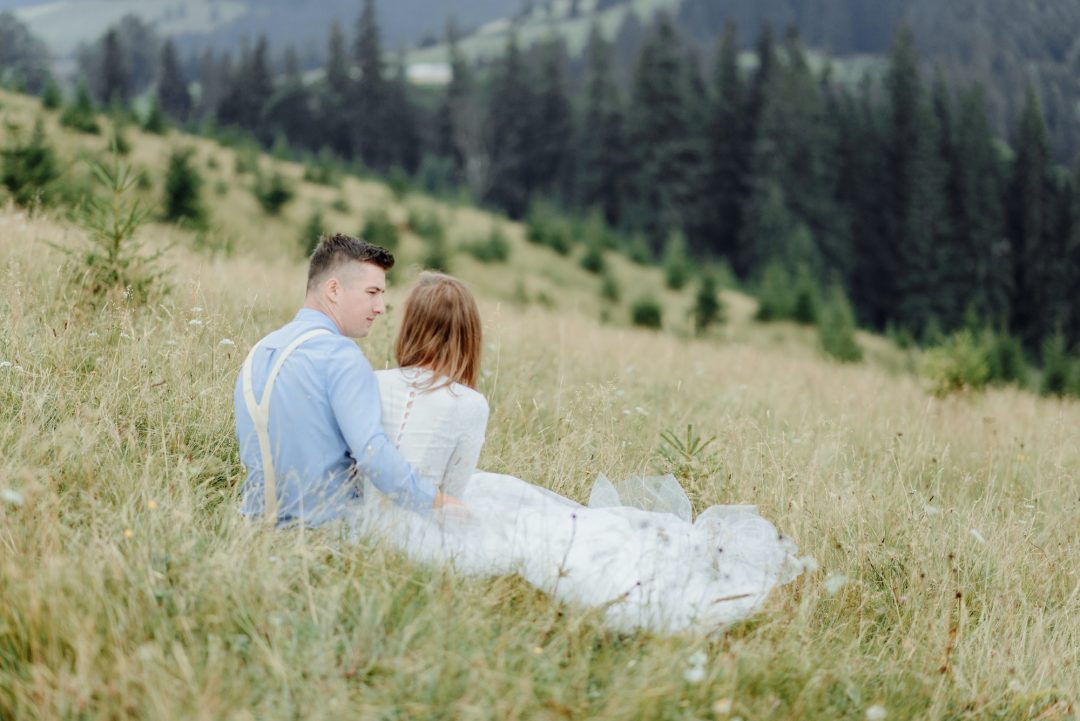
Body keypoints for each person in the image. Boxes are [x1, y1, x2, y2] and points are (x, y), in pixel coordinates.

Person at [352, 272, 803, 634]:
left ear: (410, 325)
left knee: (521, 505)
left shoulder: (370, 380)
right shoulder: (468, 403)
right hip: (428, 526)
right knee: (550, 527)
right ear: (467, 335)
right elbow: (453, 491)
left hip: (367, 523)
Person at [234, 234, 460, 528]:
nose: (380, 307)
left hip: (250, 527)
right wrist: (437, 502)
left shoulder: (260, 350)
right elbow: (372, 454)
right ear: (334, 290)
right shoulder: (341, 355)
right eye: (372, 292)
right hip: (324, 533)